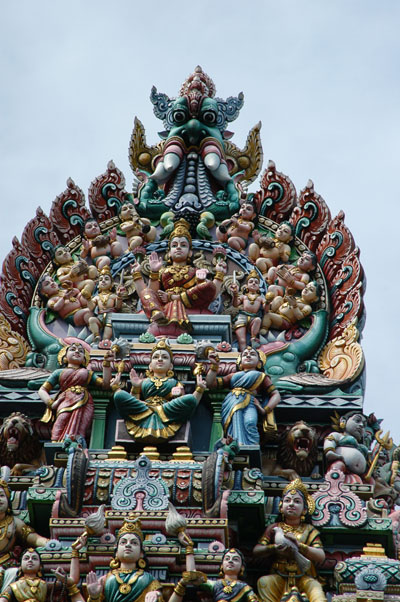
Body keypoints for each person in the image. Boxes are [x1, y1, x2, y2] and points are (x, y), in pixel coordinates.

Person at [131, 219, 226, 330]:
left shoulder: (195, 270)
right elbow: (153, 292)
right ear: (169, 252)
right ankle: (156, 312)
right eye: (174, 245)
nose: (179, 247)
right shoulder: (163, 270)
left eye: (183, 245)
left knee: (208, 285)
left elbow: (211, 294)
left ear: (190, 252)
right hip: (163, 301)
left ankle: (174, 299)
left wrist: (215, 275)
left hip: (188, 301)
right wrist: (154, 272)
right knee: (146, 292)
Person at [114, 339, 207, 442]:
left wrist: (199, 389)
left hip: (166, 408)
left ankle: (155, 412)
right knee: (119, 396)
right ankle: (151, 412)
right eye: (156, 357)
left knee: (189, 399)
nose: (160, 359)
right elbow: (134, 399)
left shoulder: (174, 382)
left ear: (171, 366)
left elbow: (186, 401)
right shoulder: (144, 381)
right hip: (144, 406)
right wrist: (135, 386)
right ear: (150, 365)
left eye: (165, 357)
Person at [253, 479, 326, 602]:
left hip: (303, 576)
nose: (291, 504)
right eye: (287, 501)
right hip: (279, 575)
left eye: (297, 501)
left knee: (316, 589)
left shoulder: (309, 530)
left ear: (304, 510)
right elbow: (257, 550)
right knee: (264, 582)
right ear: (281, 507)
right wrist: (273, 548)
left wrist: (299, 546)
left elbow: (320, 556)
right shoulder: (274, 528)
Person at [206, 348, 280, 446]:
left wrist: (265, 410)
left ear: (259, 363)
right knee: (233, 426)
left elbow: (276, 395)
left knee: (250, 423)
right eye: (244, 355)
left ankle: (251, 447)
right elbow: (211, 384)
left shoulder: (261, 376)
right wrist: (214, 366)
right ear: (240, 362)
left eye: (252, 354)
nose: (248, 356)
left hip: (250, 403)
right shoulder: (232, 376)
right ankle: (234, 445)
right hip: (232, 402)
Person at [38, 343, 112, 442]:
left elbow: (105, 385)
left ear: (84, 359)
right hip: (65, 400)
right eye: (73, 349)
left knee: (81, 426)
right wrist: (51, 403)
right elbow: (42, 390)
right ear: (64, 356)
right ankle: (57, 443)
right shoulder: (59, 372)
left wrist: (106, 364)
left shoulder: (88, 373)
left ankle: (78, 444)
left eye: (81, 351)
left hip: (84, 402)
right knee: (61, 421)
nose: (77, 352)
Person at [80, 518, 162, 602]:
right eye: (123, 542)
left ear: (141, 553)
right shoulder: (105, 579)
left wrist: (156, 594)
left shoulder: (148, 579)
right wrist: (94, 597)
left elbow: (160, 599)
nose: (128, 545)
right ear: (116, 552)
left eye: (134, 543)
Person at [0, 480, 48, 580]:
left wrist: (48, 543)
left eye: (1, 495)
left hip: (7, 567)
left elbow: (33, 538)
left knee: (14, 573)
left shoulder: (14, 523)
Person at [0, 547, 80, 602]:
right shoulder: (14, 586)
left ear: (40, 567)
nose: (30, 560)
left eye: (34, 558)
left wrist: (75, 552)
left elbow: (72, 581)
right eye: (26, 558)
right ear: (20, 566)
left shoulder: (44, 584)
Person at [324, 412, 369, 483]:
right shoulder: (339, 436)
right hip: (341, 465)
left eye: (364, 425)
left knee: (371, 481)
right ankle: (332, 482)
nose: (361, 425)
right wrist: (330, 452)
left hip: (357, 474)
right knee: (338, 466)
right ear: (343, 421)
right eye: (357, 421)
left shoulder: (360, 446)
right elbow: (330, 441)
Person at [230, 271, 266, 351]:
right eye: (251, 282)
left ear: (259, 287)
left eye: (256, 282)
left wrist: (268, 302)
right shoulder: (243, 296)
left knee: (258, 320)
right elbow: (235, 304)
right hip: (243, 316)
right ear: (246, 285)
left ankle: (253, 338)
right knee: (242, 340)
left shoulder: (260, 298)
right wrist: (235, 294)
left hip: (254, 317)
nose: (253, 283)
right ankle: (243, 354)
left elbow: (265, 308)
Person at [88, 267, 126, 342]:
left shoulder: (113, 296)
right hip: (100, 316)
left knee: (107, 333)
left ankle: (106, 341)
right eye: (101, 280)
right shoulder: (97, 297)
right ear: (98, 285)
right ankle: (96, 335)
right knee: (92, 320)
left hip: (110, 316)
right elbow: (91, 308)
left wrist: (119, 296)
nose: (103, 281)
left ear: (112, 284)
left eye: (106, 279)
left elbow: (118, 307)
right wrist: (88, 299)